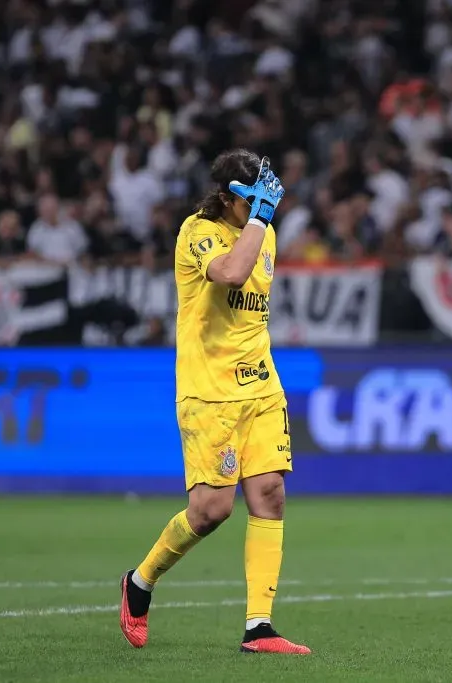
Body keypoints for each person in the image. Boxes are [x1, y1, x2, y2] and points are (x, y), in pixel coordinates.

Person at [118, 150, 309, 655]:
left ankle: (259, 628)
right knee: (210, 510)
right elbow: (231, 274)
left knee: (269, 493)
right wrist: (262, 218)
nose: (263, 209)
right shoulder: (196, 232)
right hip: (210, 392)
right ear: (228, 199)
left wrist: (262, 220)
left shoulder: (263, 231)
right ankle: (140, 582)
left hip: (262, 385)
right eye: (254, 201)